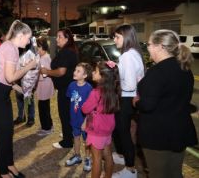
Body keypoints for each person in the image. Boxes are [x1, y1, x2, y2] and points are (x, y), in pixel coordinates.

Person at [134, 30, 198, 178]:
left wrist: (136, 101)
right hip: (179, 131)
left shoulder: (157, 72)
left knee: (159, 174)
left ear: (160, 46)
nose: (147, 48)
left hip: (158, 135)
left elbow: (148, 105)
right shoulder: (185, 69)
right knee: (175, 173)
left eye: (149, 44)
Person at [0, 20, 37, 178]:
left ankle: (10, 165)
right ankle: (3, 173)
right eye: (28, 38)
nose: (28, 42)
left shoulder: (7, 45)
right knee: (4, 135)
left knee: (8, 133)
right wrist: (29, 66)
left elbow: (2, 75)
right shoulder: (11, 48)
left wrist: (17, 88)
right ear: (20, 36)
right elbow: (10, 75)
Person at [112, 24, 144, 178]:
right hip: (131, 97)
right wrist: (117, 67)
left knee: (123, 132)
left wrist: (115, 81)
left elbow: (130, 83)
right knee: (120, 130)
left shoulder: (127, 56)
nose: (114, 39)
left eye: (117, 37)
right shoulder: (133, 53)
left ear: (126, 37)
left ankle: (130, 168)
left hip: (126, 97)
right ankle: (123, 156)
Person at [40, 28, 78, 149]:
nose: (57, 39)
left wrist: (47, 71)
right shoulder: (68, 50)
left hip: (66, 88)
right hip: (69, 87)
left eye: (59, 37)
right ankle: (69, 134)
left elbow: (61, 71)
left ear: (67, 39)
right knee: (68, 113)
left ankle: (67, 141)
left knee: (64, 114)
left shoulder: (66, 52)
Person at [82, 61, 120, 178]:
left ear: (103, 77)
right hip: (108, 129)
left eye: (96, 71)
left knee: (97, 159)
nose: (93, 72)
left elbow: (85, 109)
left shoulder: (95, 93)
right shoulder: (113, 91)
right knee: (108, 155)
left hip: (96, 130)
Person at [65, 63, 93, 171]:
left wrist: (85, 121)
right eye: (75, 70)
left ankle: (87, 158)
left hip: (85, 121)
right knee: (76, 137)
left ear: (85, 75)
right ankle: (77, 156)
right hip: (74, 119)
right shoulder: (71, 85)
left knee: (87, 140)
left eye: (78, 71)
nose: (74, 72)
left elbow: (91, 108)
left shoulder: (89, 88)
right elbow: (71, 101)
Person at [35, 37, 54, 136]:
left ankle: (46, 128)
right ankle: (48, 125)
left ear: (42, 47)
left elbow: (45, 73)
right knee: (45, 106)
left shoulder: (44, 58)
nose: (37, 50)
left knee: (43, 107)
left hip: (44, 85)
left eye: (38, 48)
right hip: (44, 84)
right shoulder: (45, 57)